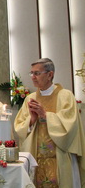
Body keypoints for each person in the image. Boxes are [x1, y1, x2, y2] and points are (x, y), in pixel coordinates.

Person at [14, 58, 85, 187]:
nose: (33, 77)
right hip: (36, 158)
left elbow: (70, 126)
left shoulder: (66, 96)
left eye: (37, 73)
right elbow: (19, 127)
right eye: (31, 73)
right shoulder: (30, 99)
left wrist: (45, 115)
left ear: (50, 74)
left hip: (60, 157)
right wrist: (31, 120)